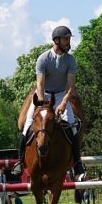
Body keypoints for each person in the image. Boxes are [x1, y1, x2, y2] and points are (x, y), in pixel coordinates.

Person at [12, 25, 85, 177]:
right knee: (27, 126)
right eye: (66, 39)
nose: (68, 42)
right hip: (43, 94)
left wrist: (63, 103)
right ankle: (19, 161)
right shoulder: (43, 58)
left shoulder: (70, 60)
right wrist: (41, 101)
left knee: (72, 126)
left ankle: (77, 161)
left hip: (60, 95)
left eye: (69, 39)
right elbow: (40, 83)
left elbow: (70, 86)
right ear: (56, 40)